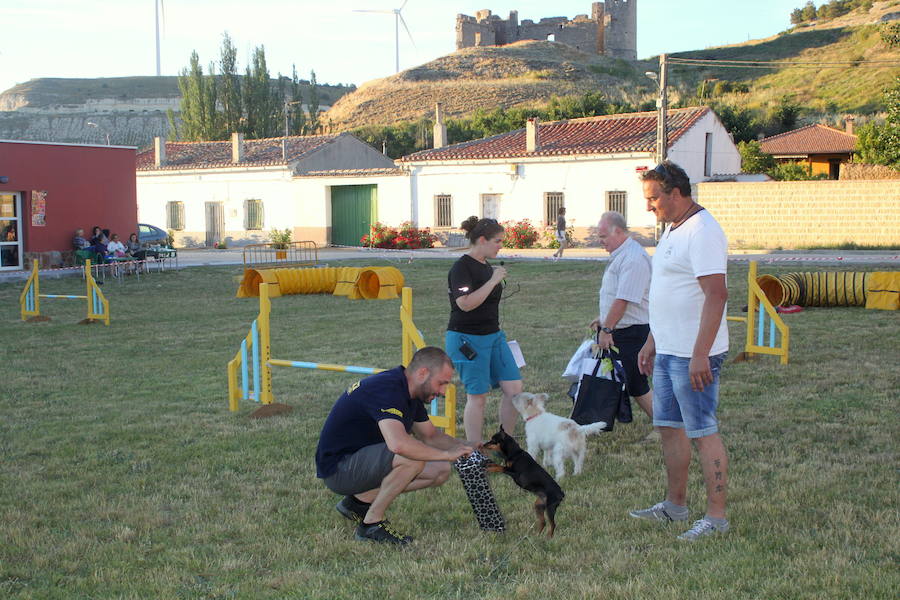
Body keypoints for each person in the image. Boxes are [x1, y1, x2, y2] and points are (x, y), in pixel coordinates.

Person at [631, 161, 730, 541]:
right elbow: (670, 291)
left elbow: (716, 295)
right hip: (669, 349)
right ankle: (675, 507)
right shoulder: (674, 229)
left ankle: (716, 519)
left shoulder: (703, 231)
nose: (648, 206)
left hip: (694, 354)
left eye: (653, 198)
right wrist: (653, 340)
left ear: (676, 193)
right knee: (669, 429)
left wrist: (701, 353)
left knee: (702, 431)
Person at [315, 347, 473, 545]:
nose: (442, 392)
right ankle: (371, 525)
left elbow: (430, 436)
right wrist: (448, 455)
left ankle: (357, 503)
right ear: (422, 373)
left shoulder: (409, 392)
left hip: (359, 462)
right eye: (441, 383)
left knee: (439, 471)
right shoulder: (387, 389)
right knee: (411, 457)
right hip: (339, 468)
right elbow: (399, 445)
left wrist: (468, 446)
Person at [445, 216, 524, 443]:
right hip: (466, 339)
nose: (501, 245)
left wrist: (492, 277)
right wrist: (492, 281)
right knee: (478, 396)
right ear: (482, 240)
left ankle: (505, 443)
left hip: (494, 335)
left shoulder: (486, 265)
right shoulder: (461, 267)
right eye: (497, 241)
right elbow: (465, 304)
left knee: (514, 389)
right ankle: (474, 449)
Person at [588, 211, 654, 423]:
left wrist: (607, 330)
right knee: (626, 382)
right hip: (621, 327)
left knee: (637, 385)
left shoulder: (633, 258)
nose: (600, 241)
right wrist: (603, 319)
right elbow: (615, 294)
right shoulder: (621, 255)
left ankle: (665, 427)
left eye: (604, 236)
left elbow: (624, 299)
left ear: (618, 231)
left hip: (632, 331)